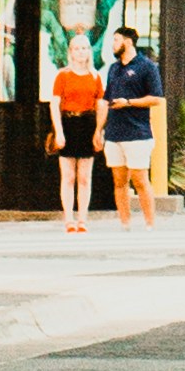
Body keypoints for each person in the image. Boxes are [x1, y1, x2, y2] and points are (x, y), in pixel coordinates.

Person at [99, 20, 159, 228]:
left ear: (128, 42)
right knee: (119, 181)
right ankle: (125, 223)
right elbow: (106, 100)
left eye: (116, 40)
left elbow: (157, 99)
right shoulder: (114, 69)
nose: (113, 44)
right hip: (115, 133)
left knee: (140, 180)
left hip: (137, 132)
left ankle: (150, 223)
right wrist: (99, 129)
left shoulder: (147, 67)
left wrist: (129, 103)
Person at [48, 34, 105, 231]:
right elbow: (55, 104)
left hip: (87, 123)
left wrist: (99, 131)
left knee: (84, 176)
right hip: (68, 122)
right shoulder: (62, 76)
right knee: (68, 175)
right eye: (77, 48)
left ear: (89, 51)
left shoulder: (95, 77)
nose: (81, 52)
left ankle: (83, 219)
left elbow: (100, 106)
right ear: (70, 52)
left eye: (85, 48)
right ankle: (68, 218)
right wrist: (59, 131)